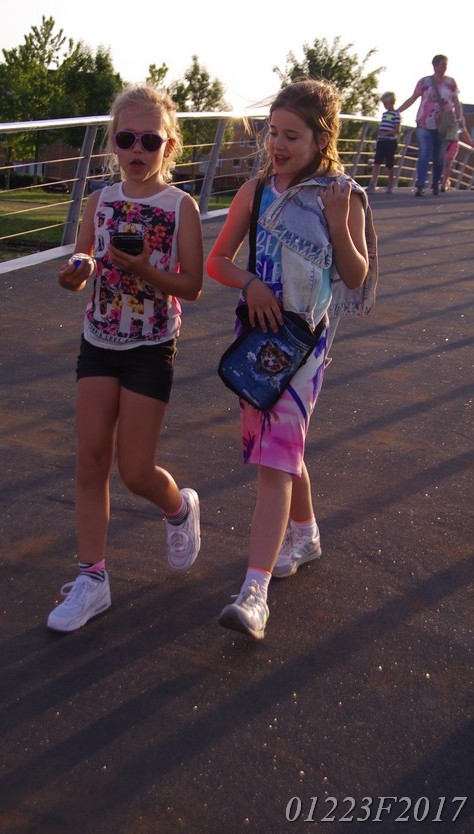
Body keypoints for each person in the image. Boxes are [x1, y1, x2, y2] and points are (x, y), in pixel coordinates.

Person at [207, 79, 377, 642]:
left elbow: (354, 275)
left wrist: (337, 222)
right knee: (282, 448)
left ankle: (253, 594)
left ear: (321, 139)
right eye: (272, 132)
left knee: (275, 460)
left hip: (305, 345)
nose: (277, 144)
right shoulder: (256, 191)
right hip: (258, 338)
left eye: (291, 136)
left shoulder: (342, 195)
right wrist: (251, 283)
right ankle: (305, 533)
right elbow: (216, 261)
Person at [47, 84, 204, 633]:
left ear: (169, 146)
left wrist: (143, 271)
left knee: (135, 470)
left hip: (151, 345)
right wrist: (75, 274)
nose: (137, 149)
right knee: (91, 459)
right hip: (99, 338)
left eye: (150, 140)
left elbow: (192, 285)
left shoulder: (180, 207)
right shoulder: (100, 200)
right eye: (126, 138)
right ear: (112, 142)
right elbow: (84, 258)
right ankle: (92, 579)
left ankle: (180, 508)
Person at [397, 54, 466, 197]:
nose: (445, 67)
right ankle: (420, 184)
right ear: (434, 66)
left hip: (443, 125)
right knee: (425, 153)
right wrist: (397, 111)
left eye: (446, 64)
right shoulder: (425, 82)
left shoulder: (450, 82)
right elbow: (413, 98)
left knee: (439, 156)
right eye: (442, 64)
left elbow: (456, 101)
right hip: (424, 123)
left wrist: (460, 117)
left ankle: (435, 183)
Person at [367, 92, 400, 194]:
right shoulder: (384, 114)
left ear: (392, 103)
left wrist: (386, 133)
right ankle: (373, 184)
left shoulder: (396, 114)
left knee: (389, 164)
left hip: (390, 141)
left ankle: (390, 184)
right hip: (381, 141)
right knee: (377, 162)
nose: (385, 106)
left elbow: (397, 129)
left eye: (386, 103)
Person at [440, 122, 474, 192]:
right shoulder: (440, 115)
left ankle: (444, 184)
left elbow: (463, 131)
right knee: (441, 163)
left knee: (447, 163)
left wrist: (471, 144)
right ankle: (446, 180)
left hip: (453, 143)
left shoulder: (459, 118)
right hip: (441, 141)